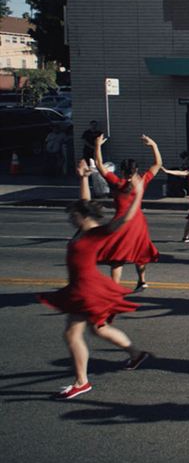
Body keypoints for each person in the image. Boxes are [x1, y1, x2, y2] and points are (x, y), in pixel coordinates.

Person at [37, 161, 152, 399]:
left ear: (82, 218)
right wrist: (83, 178)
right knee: (99, 329)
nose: (71, 218)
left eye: (74, 216)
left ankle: (82, 382)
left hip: (86, 291)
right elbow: (85, 203)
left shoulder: (97, 233)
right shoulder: (83, 229)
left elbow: (125, 220)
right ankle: (137, 354)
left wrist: (138, 193)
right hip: (86, 288)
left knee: (72, 334)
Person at [94, 134, 161, 292]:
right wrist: (153, 145)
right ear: (136, 170)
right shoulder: (142, 181)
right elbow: (158, 164)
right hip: (137, 221)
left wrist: (97, 145)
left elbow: (99, 165)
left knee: (117, 256)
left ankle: (114, 286)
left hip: (121, 221)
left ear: (122, 171)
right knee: (140, 250)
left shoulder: (116, 183)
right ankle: (142, 281)